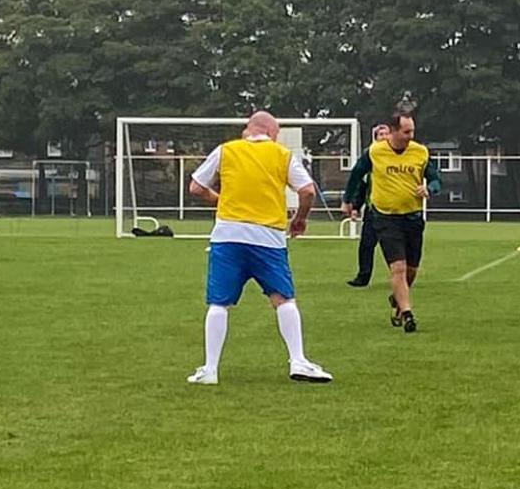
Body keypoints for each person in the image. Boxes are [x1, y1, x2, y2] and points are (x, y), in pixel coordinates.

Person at [185, 111, 333, 385]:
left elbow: (195, 187)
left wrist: (220, 200)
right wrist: (299, 220)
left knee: (219, 302)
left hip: (228, 235)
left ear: (248, 130)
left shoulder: (226, 150)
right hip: (268, 238)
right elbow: (308, 191)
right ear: (272, 133)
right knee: (282, 298)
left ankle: (210, 369)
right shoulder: (281, 155)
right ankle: (298, 360)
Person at [341, 112, 441, 332]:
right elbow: (356, 175)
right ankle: (407, 314)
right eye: (406, 132)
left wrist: (429, 188)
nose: (410, 135)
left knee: (411, 270)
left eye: (412, 131)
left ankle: (397, 299)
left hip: (413, 217)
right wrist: (348, 200)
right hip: (385, 217)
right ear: (394, 131)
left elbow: (435, 179)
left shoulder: (420, 152)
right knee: (398, 267)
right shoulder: (375, 152)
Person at [343, 123, 390, 287]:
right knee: (366, 244)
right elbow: (362, 186)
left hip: (392, 211)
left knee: (392, 246)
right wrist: (356, 207)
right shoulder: (369, 160)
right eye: (381, 135)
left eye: (386, 134)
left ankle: (401, 276)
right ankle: (363, 277)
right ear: (375, 139)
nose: (384, 137)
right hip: (373, 210)